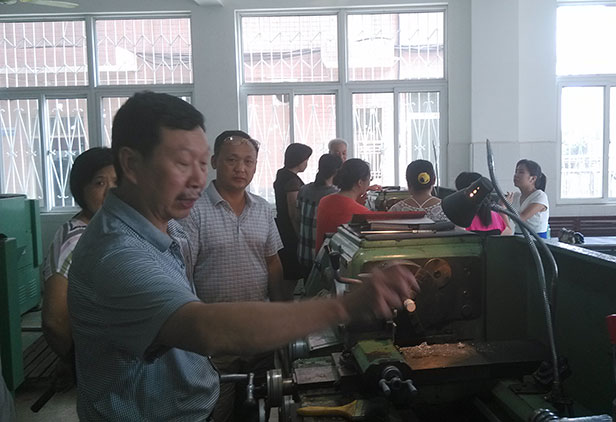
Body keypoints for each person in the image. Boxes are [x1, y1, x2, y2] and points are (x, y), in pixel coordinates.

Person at [67, 91, 418, 421]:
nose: (197, 179)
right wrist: (344, 307)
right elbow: (205, 329)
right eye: (182, 163)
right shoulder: (117, 254)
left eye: (201, 164)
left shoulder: (166, 227)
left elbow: (270, 264)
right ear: (131, 164)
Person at [179, 130, 284, 421]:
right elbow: (183, 272)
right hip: (215, 333)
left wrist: (281, 313)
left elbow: (273, 263)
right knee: (218, 408)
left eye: (249, 161)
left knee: (258, 406)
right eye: (232, 160)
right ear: (214, 161)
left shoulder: (262, 208)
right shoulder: (193, 210)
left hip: (258, 329)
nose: (241, 168)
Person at [41, 147, 116, 385]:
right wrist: (75, 360)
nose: (110, 191)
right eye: (99, 183)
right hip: (103, 371)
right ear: (80, 190)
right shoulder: (76, 240)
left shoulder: (105, 229)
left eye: (117, 182)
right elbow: (54, 320)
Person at [297, 153, 343, 273]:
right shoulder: (335, 195)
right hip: (322, 257)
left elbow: (297, 218)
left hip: (303, 252)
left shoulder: (304, 190)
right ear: (337, 172)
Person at [316, 158, 374, 252]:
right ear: (360, 182)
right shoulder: (362, 213)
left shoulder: (324, 200)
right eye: (369, 179)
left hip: (323, 257)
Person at [274, 143, 313, 283]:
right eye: (306, 160)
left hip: (281, 227)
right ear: (299, 160)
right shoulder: (292, 181)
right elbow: (293, 213)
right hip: (289, 232)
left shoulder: (282, 173)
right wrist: (299, 236)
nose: (306, 163)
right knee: (291, 277)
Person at [506, 159, 549, 238]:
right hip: (518, 238)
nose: (516, 175)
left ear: (532, 179)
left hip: (537, 240)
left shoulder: (540, 196)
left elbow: (521, 218)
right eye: (516, 171)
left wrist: (505, 207)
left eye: (521, 172)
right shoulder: (516, 196)